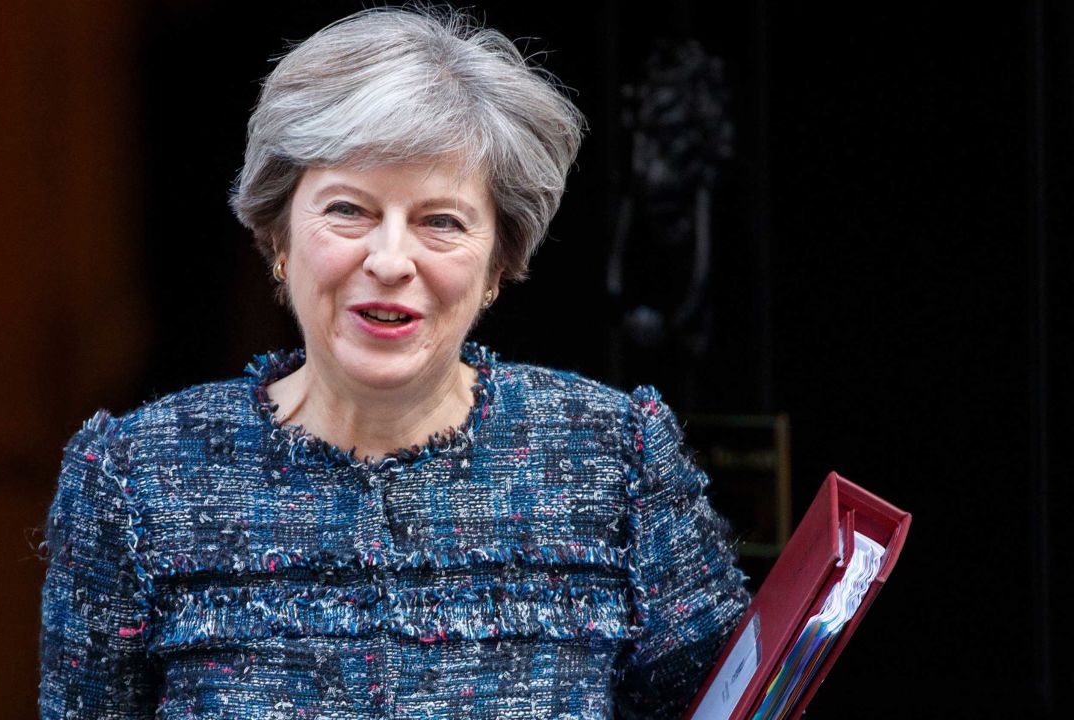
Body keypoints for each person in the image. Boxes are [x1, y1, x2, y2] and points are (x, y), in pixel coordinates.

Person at [39, 7, 749, 719]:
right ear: (278, 236)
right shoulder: (137, 479)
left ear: (500, 260)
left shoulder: (614, 460)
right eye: (348, 210)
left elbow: (731, 701)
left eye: (440, 221)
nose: (389, 260)